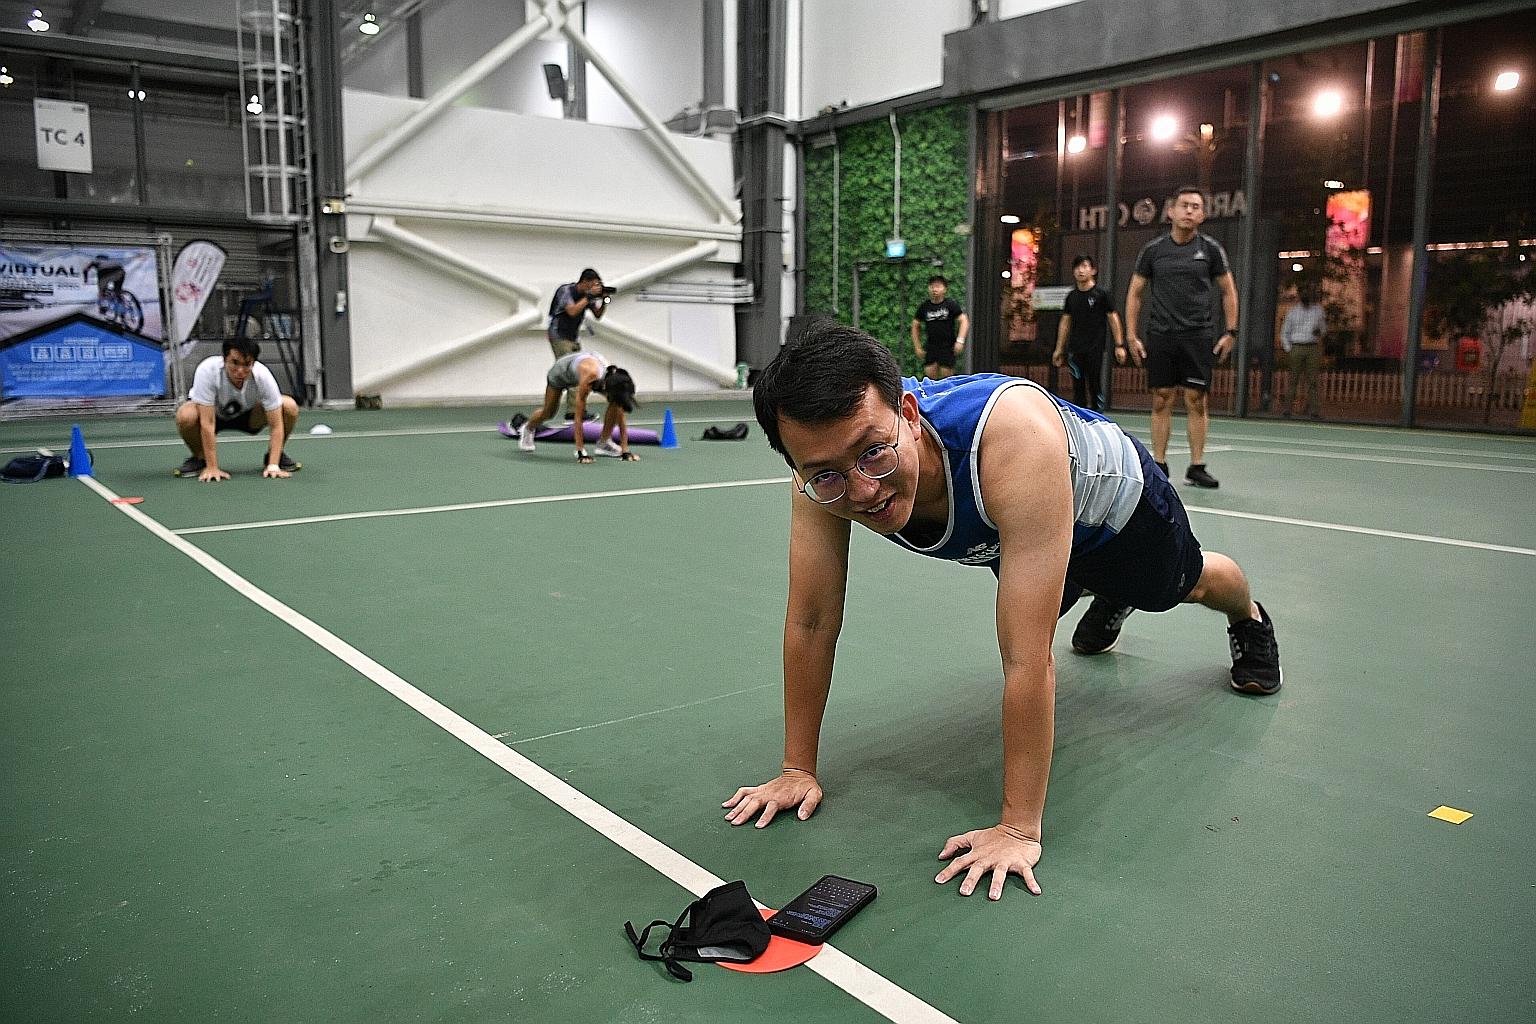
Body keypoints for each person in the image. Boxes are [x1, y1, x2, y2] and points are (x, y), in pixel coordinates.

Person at [722, 322, 1280, 901]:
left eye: (873, 453)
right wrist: (796, 769)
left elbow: (1026, 656)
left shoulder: (1012, 438)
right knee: (1051, 588)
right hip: (1023, 522)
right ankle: (1107, 592)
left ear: (908, 414)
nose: (862, 490)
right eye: (826, 473)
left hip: (1116, 508)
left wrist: (1017, 829)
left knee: (1183, 587)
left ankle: (1249, 617)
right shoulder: (821, 480)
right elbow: (812, 620)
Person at [1124, 186, 1239, 490]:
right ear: (1171, 211)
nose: (1189, 211)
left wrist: (1231, 332)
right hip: (1161, 335)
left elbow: (1228, 291)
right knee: (1162, 397)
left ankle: (1197, 466)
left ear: (1202, 214)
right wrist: (1131, 335)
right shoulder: (1153, 251)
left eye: (1196, 207)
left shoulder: (1210, 250)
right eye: (1184, 205)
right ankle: (1159, 465)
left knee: (1196, 400)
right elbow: (1135, 293)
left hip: (1198, 336)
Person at [174, 337, 300, 481]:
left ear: (253, 363)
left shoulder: (263, 375)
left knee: (289, 406)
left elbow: (276, 425)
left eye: (247, 364)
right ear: (224, 360)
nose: (240, 371)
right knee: (186, 415)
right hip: (213, 415)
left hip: (249, 417)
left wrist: (273, 466)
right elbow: (207, 423)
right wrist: (212, 468)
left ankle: (275, 457)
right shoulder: (207, 370)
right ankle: (200, 458)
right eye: (234, 363)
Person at [512, 351, 639, 464]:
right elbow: (578, 416)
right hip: (560, 373)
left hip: (586, 370)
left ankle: (604, 443)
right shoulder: (589, 377)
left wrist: (625, 450)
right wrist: (580, 451)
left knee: (616, 404)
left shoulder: (615, 378)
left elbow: (620, 409)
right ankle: (528, 428)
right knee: (548, 412)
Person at [1051, 255, 1126, 411]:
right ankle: (1080, 419)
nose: (1081, 270)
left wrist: (1119, 345)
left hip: (1095, 349)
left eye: (1085, 266)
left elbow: (1113, 318)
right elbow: (1065, 322)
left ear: (1093, 270)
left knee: (1094, 384)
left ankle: (1097, 417)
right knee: (1078, 388)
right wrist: (1059, 348)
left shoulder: (1101, 294)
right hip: (1075, 350)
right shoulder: (1071, 297)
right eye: (1077, 267)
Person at [1280, 286, 1326, 418]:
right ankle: (1287, 409)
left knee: (1313, 380)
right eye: (1304, 293)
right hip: (1297, 346)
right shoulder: (1293, 312)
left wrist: (1320, 332)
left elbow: (1323, 328)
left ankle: (1314, 410)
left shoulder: (1318, 310)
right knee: (1293, 379)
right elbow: (1285, 332)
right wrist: (1289, 348)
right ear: (1300, 295)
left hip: (1312, 346)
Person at [910, 275, 969, 379]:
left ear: (945, 289)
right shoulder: (925, 307)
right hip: (931, 346)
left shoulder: (950, 305)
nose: (935, 289)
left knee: (946, 376)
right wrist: (917, 346)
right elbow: (915, 325)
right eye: (932, 286)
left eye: (938, 286)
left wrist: (960, 341)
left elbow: (964, 320)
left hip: (947, 346)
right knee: (930, 374)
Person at [548, 268, 609, 359]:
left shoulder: (587, 296)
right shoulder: (566, 291)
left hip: (574, 337)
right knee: (567, 363)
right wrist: (589, 296)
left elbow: (597, 315)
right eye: (593, 285)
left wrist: (604, 301)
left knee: (576, 364)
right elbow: (572, 311)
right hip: (559, 335)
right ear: (584, 282)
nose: (594, 288)